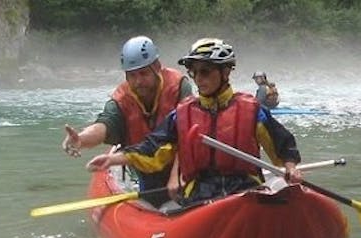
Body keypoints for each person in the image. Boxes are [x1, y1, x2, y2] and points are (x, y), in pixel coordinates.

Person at [86, 38, 302, 206]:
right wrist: (112, 160)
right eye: (194, 72)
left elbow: (283, 147)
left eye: (205, 71)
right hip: (200, 195)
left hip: (246, 191)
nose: (198, 78)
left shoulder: (252, 111)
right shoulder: (182, 114)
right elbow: (152, 149)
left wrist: (291, 168)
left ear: (225, 72)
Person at [61, 36, 193, 207]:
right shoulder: (121, 99)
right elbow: (104, 125)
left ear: (157, 67)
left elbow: (187, 134)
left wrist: (177, 174)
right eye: (132, 75)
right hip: (145, 167)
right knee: (151, 196)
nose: (138, 81)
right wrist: (81, 139)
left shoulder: (179, 87)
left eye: (143, 73)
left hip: (180, 163)